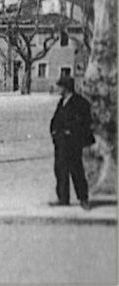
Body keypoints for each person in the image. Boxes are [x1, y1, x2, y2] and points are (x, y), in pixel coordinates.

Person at [49, 75, 94, 210]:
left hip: (73, 143)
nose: (58, 89)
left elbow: (85, 123)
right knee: (60, 170)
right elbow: (55, 119)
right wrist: (54, 132)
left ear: (66, 88)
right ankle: (63, 198)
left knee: (76, 170)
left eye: (60, 86)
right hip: (61, 143)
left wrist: (71, 132)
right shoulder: (61, 102)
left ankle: (83, 199)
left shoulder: (81, 103)